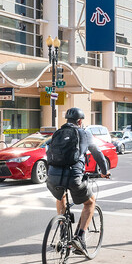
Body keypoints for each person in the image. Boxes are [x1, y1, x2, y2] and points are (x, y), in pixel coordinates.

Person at [46, 107, 110, 255]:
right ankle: (80, 238)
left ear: (67, 120)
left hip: (53, 177)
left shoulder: (57, 134)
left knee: (60, 195)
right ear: (80, 121)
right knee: (90, 202)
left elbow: (48, 153)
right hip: (74, 177)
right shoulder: (85, 133)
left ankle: (62, 229)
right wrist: (105, 171)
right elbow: (97, 153)